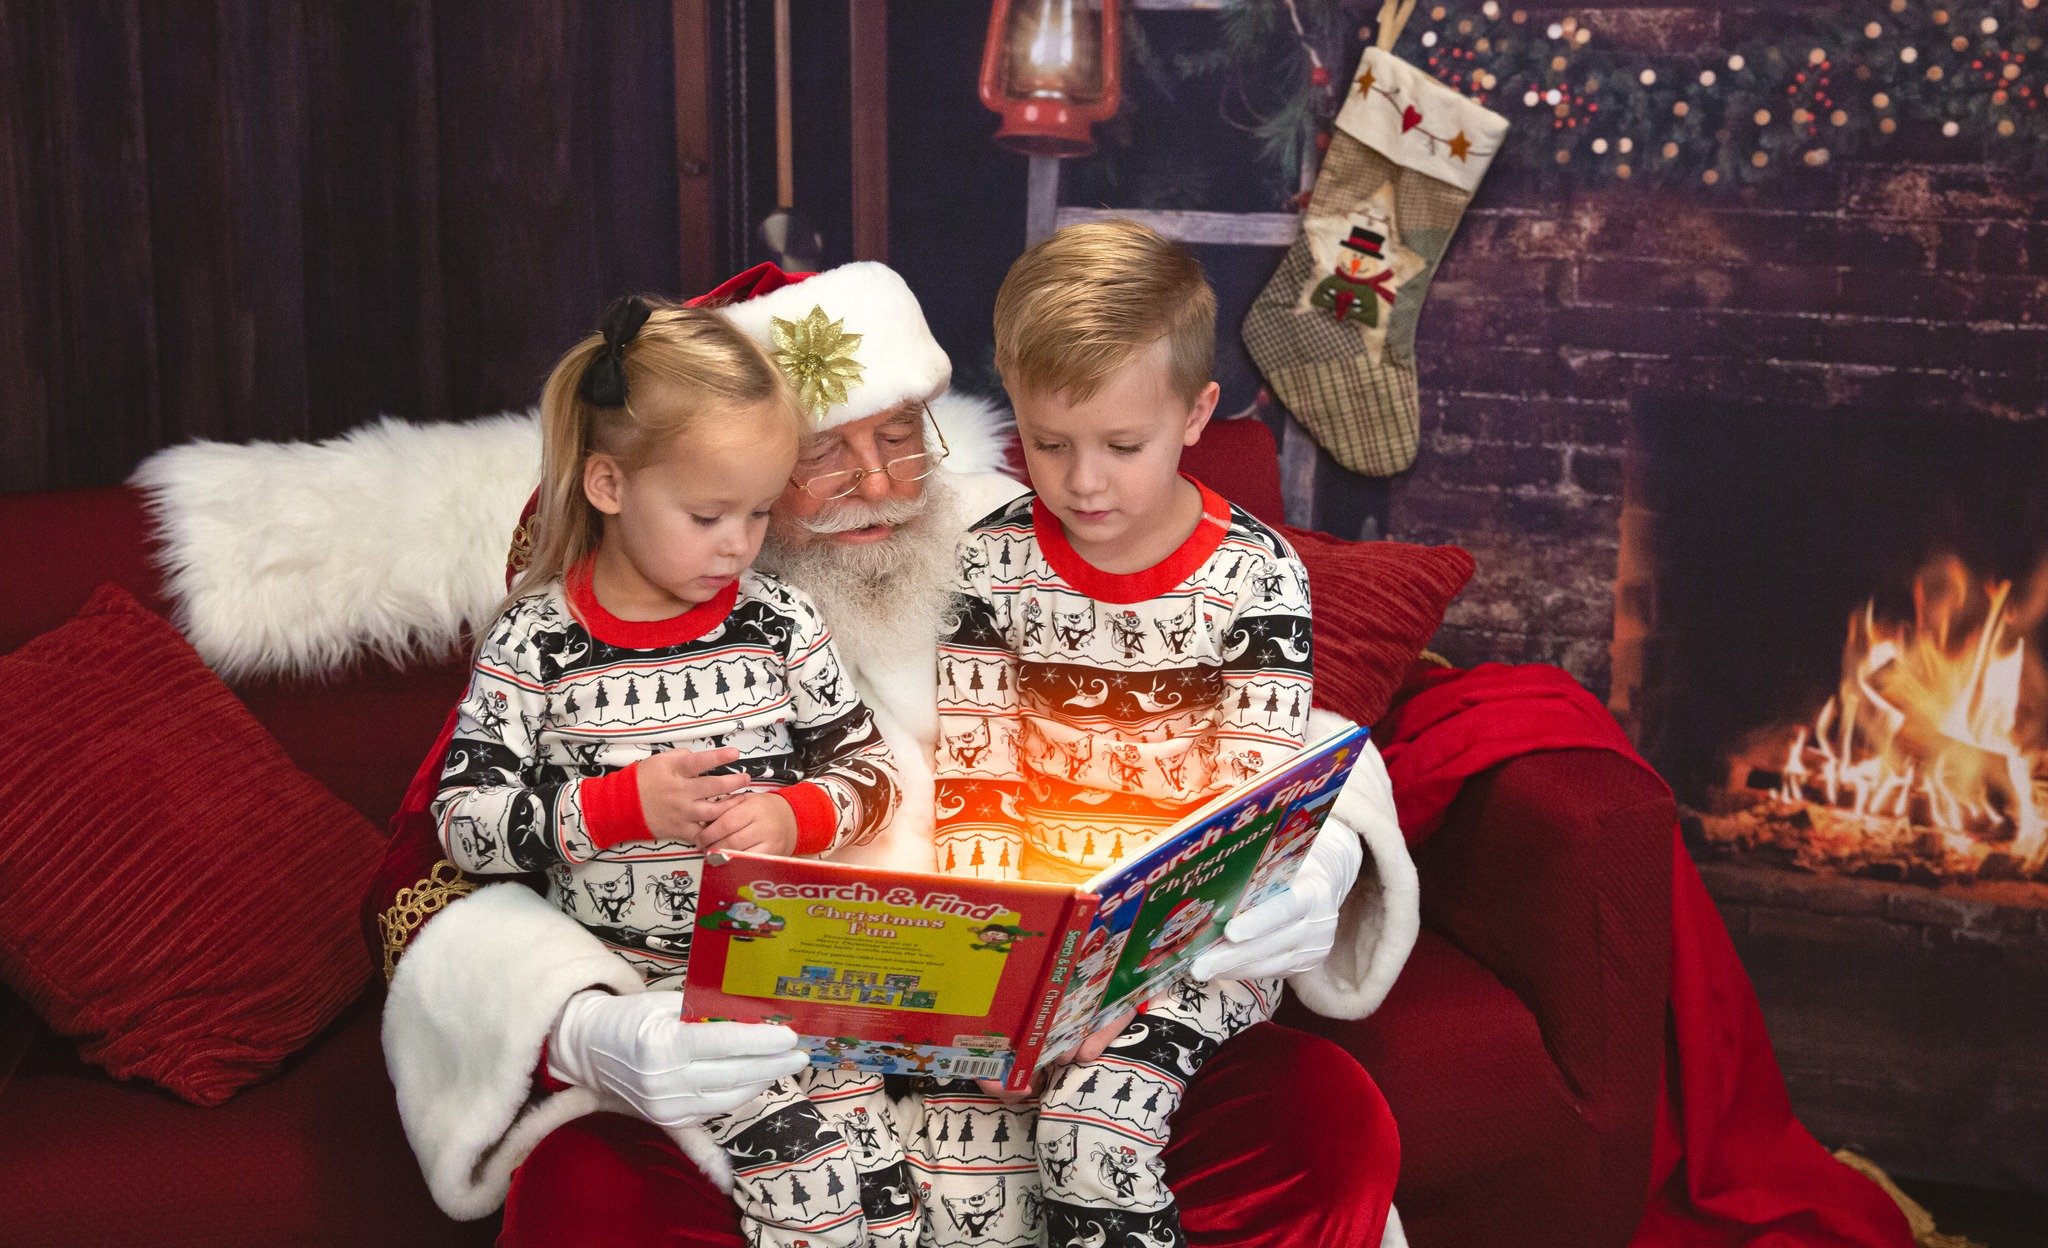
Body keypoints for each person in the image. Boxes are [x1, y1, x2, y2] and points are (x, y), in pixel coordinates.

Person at [374, 259, 1419, 1247]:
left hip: (1066, 1057)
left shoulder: (1021, 527)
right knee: (591, 1197)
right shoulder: (580, 621)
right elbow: (440, 873)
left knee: (1318, 1123)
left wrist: (1305, 867)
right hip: (772, 1065)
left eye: (902, 434)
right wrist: (587, 1032)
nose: (875, 481)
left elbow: (1268, 712)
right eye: (823, 450)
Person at [433, 296, 910, 1247]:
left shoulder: (778, 621)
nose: (740, 543)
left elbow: (872, 774)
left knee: (890, 1190)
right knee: (808, 1188)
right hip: (654, 1007)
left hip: (791, 970)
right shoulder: (537, 641)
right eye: (708, 514)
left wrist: (798, 817)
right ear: (608, 483)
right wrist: (618, 807)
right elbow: (463, 824)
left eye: (761, 511)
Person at [920, 221, 1334, 1248]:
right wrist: (1020, 982)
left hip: (1196, 943)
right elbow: (975, 791)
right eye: (1047, 444)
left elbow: (1248, 832)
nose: (1082, 483)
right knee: (949, 1141)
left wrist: (1117, 985)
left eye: (1120, 446)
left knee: (1087, 1127)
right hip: (1030, 936)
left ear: (1196, 416)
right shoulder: (988, 564)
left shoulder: (1257, 578)